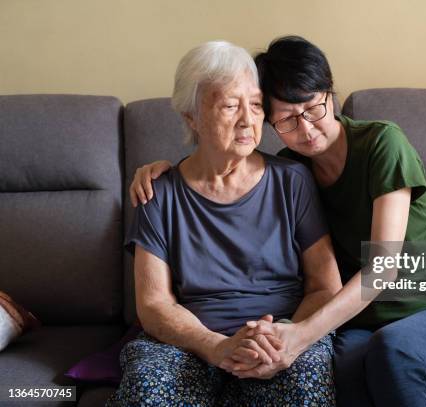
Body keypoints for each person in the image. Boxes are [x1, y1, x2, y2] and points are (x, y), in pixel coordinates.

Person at [130, 36, 426, 407]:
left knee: (394, 353)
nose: (306, 130)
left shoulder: (379, 145)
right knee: (344, 377)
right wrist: (162, 174)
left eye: (313, 109)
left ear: (331, 95)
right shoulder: (296, 168)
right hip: (364, 322)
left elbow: (383, 269)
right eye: (288, 119)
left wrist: (299, 335)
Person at [108, 40, 342, 406]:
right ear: (191, 117)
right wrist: (215, 346)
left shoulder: (292, 180)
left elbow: (325, 287)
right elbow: (153, 304)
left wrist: (281, 336)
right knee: (147, 388)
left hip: (281, 336)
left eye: (255, 104)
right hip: (190, 341)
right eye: (231, 106)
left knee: (304, 384)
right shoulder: (158, 193)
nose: (249, 120)